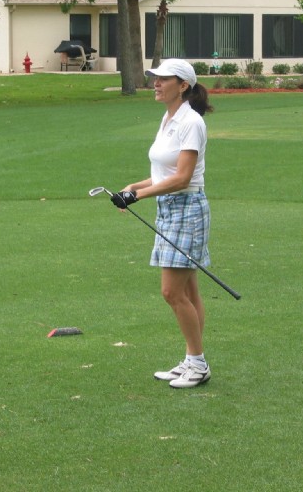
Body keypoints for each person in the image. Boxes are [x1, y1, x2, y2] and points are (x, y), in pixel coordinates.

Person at [111, 58, 214, 389]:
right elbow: (164, 173)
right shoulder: (169, 118)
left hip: (187, 208)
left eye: (163, 79)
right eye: (154, 78)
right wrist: (134, 187)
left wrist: (138, 198)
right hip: (170, 207)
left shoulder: (191, 122)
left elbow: (183, 178)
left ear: (182, 85)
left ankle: (198, 364)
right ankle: (191, 359)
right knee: (187, 290)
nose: (155, 83)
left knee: (172, 292)